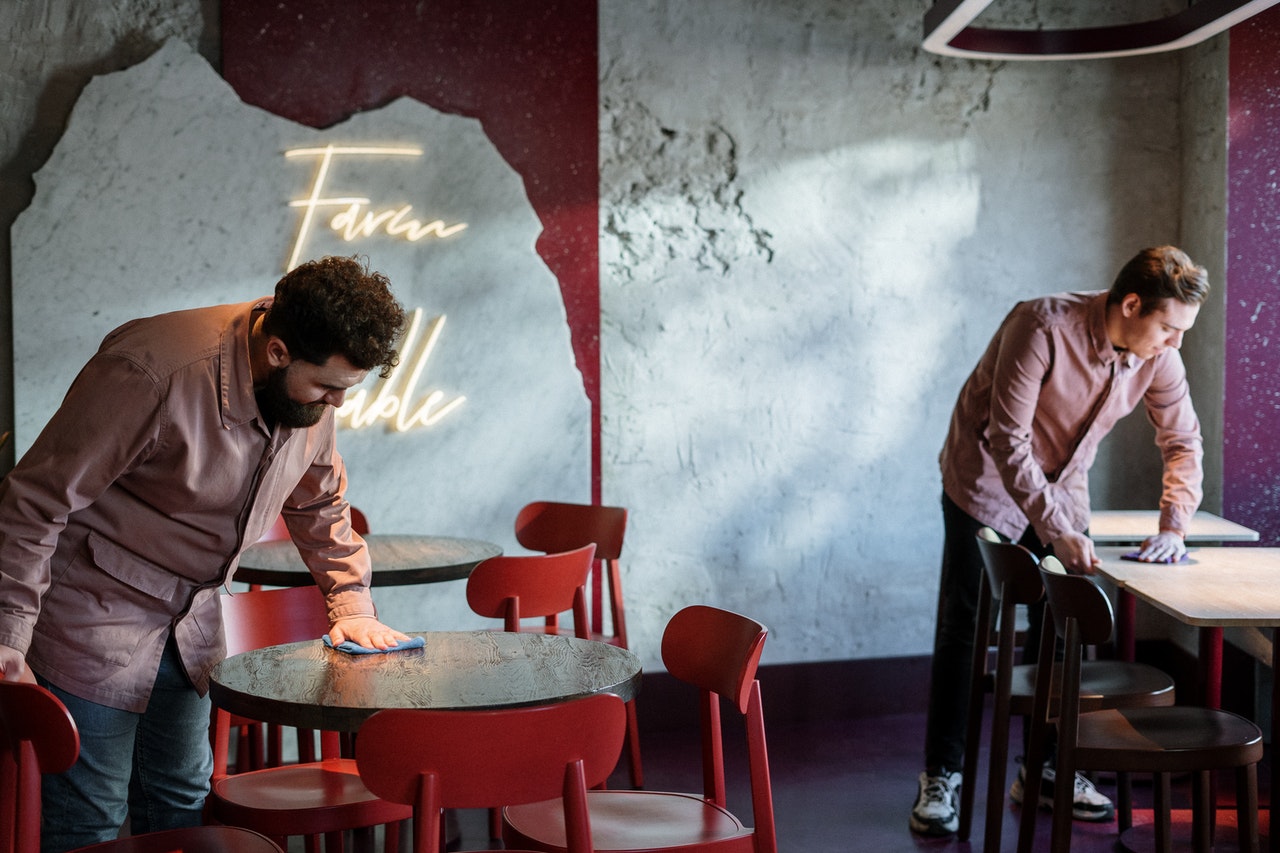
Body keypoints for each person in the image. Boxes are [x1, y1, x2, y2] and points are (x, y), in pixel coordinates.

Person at [0, 255, 413, 852]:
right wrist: (8, 636)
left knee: (182, 806)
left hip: (190, 624)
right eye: (328, 386)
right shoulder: (151, 370)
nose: (337, 405)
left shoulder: (308, 398)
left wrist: (351, 602)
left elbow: (320, 503)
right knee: (88, 825)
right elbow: (34, 500)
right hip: (88, 618)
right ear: (277, 352)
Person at [909, 246, 1208, 837]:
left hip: (1063, 484)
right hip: (985, 479)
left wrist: (1174, 525)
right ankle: (941, 775)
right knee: (966, 627)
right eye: (1170, 327)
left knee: (1061, 630)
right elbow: (1008, 439)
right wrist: (1058, 532)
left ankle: (1043, 769)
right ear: (1130, 305)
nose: (1176, 343)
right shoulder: (1041, 325)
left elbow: (1183, 441)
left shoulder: (1160, 356)